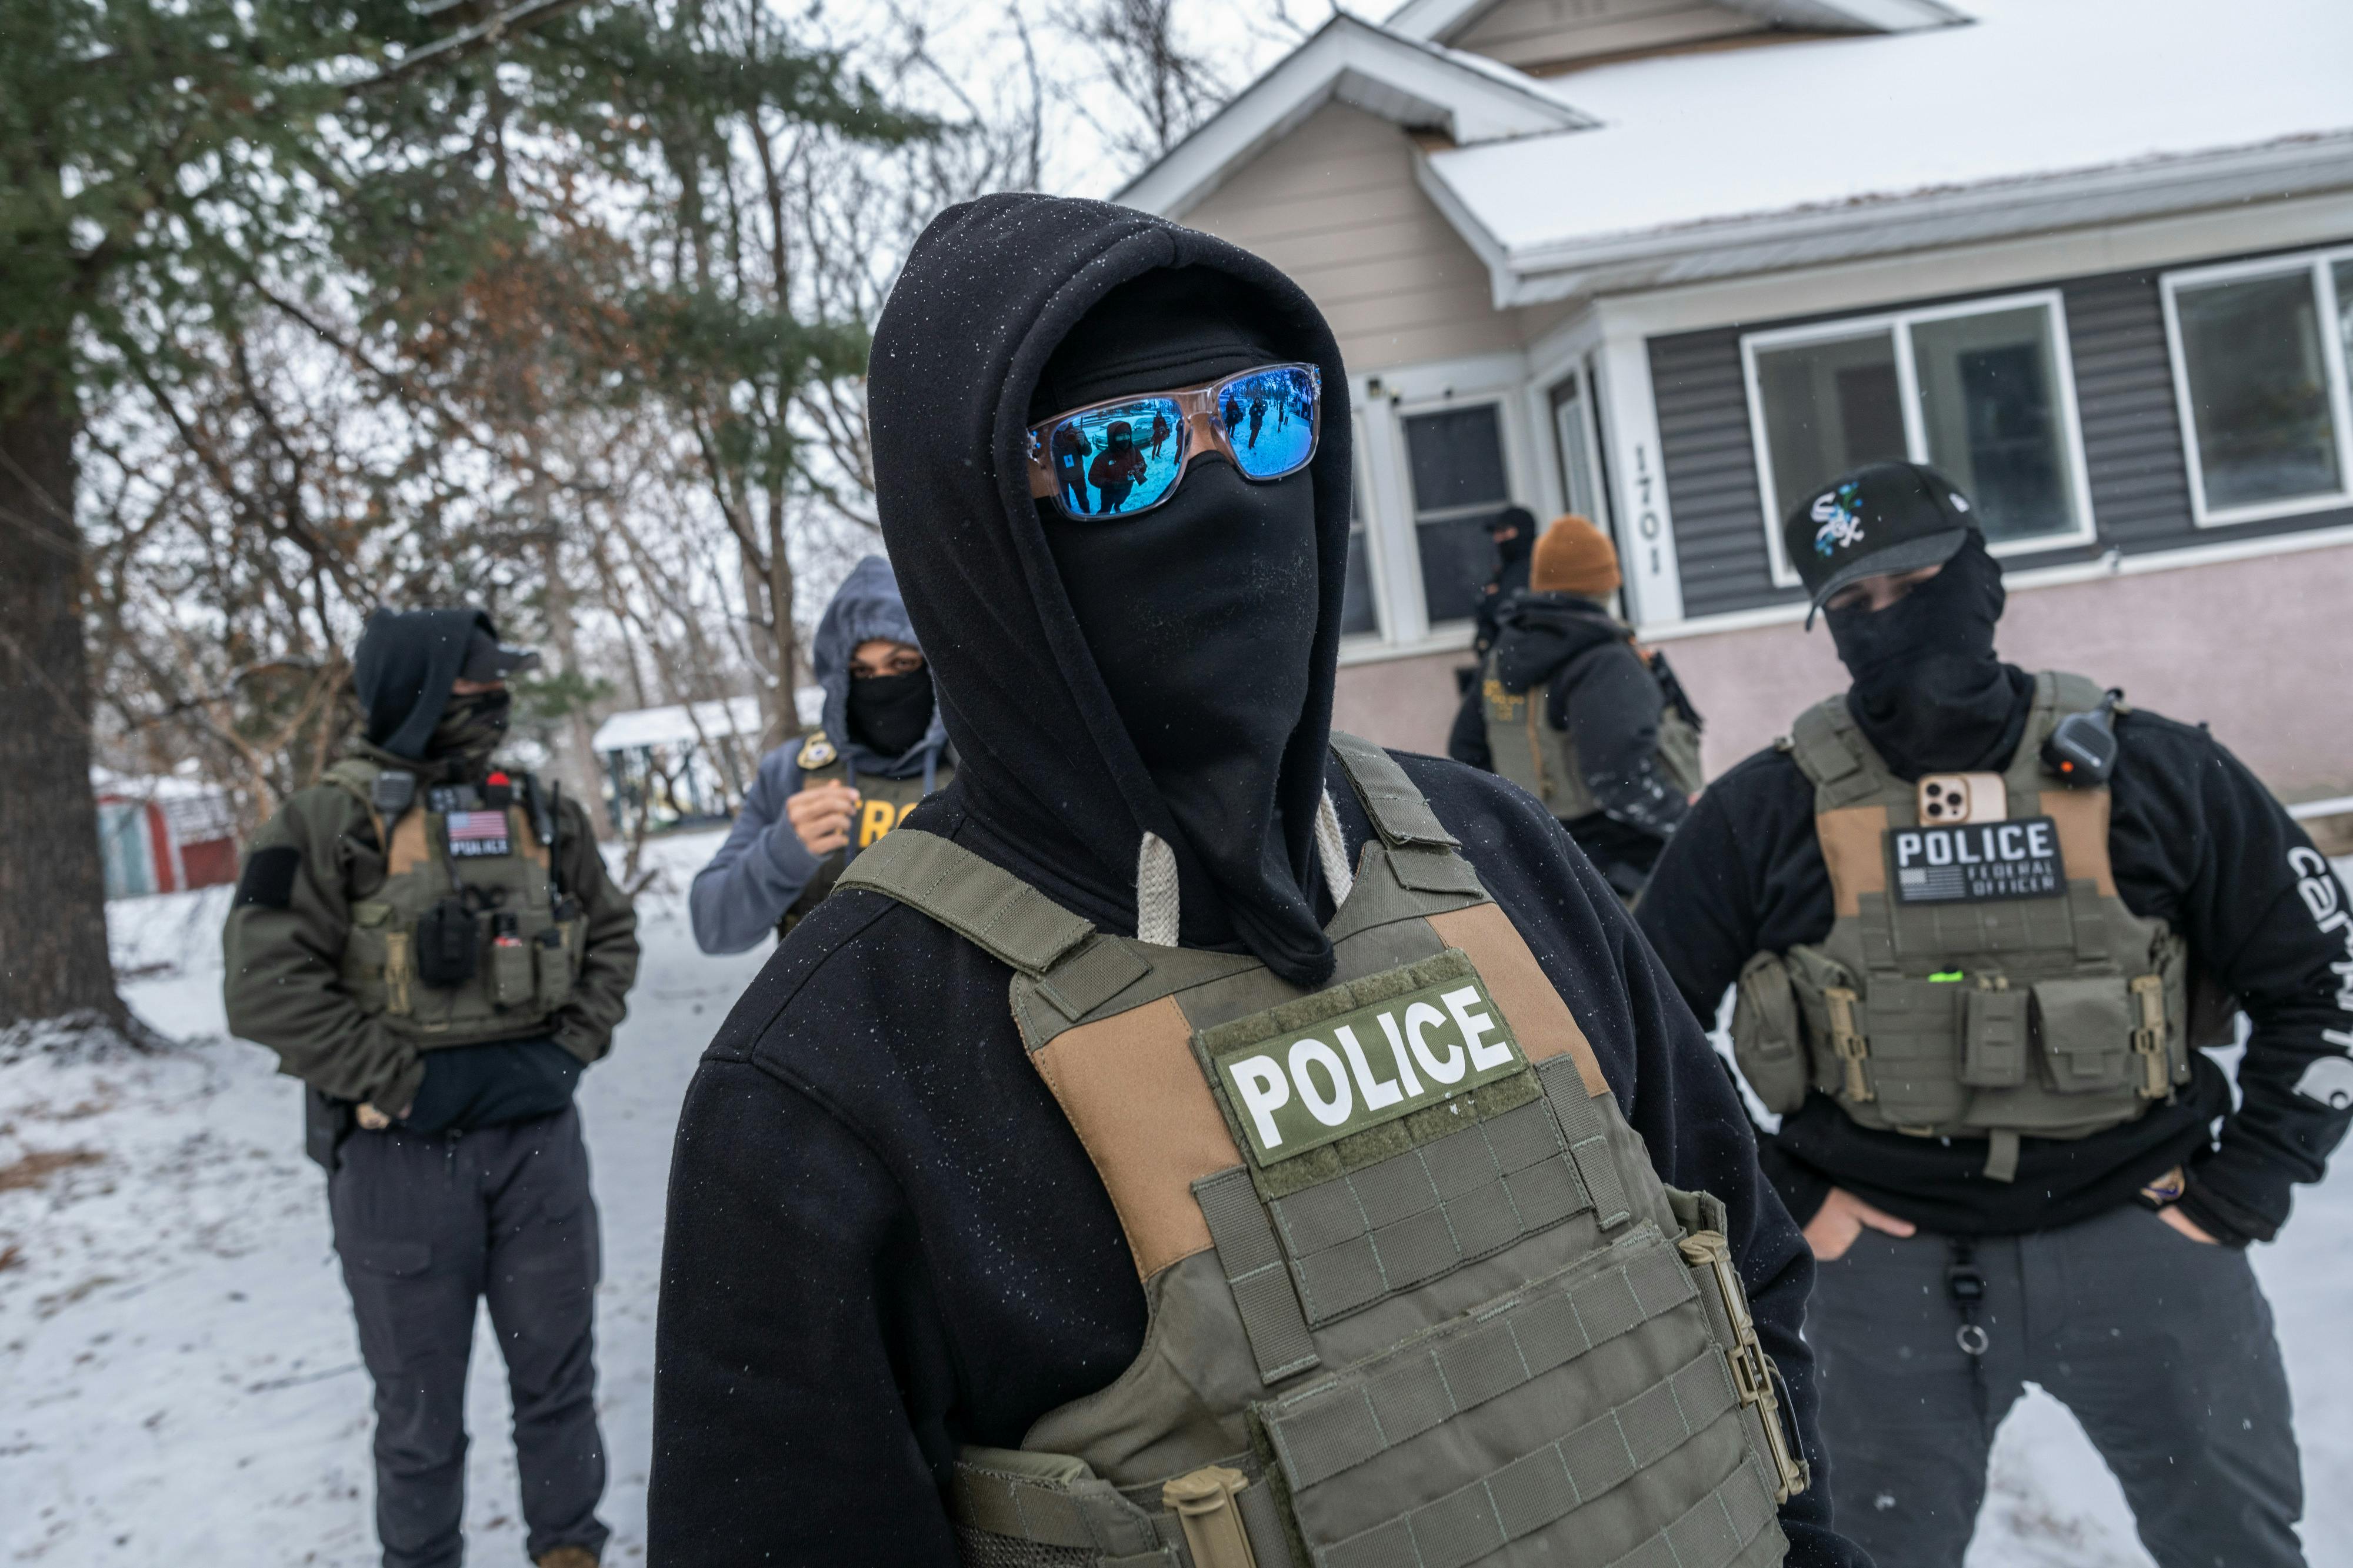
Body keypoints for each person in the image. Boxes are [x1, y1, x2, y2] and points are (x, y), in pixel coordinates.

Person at [648, 194, 1863, 1567]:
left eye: (1270, 414)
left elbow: (1739, 1280)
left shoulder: (1495, 849)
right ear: (980, 541)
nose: (1227, 491)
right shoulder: (840, 1069)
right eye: (1122, 452)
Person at [1635, 459, 2353, 1568]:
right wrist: (1784, 1200)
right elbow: (1636, 1029)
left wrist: (2245, 1187)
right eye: (1853, 607)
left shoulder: (2155, 773)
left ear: (1982, 580)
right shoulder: (1768, 808)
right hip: (1877, 1282)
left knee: (2240, 1551)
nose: (1892, 623)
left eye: (1917, 582)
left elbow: (2325, 978)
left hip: (2145, 1244)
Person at [224, 608, 639, 1568]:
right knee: (417, 1412)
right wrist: (404, 1082)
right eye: (472, 686)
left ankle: (569, 1550)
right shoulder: (319, 820)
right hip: (395, 1161)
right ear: (414, 691)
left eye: (498, 687)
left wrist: (568, 1049)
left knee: (559, 1386)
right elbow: (262, 986)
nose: (494, 702)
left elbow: (611, 933)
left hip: (539, 1150)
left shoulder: (539, 807)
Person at [688, 556, 953, 955]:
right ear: (838, 679)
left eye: (901, 664)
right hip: (827, 1013)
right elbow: (714, 928)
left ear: (932, 664)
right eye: (861, 673)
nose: (882, 686)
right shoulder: (792, 773)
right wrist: (782, 852)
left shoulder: (976, 766)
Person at [1449, 514, 1702, 902]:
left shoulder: (1502, 658)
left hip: (1547, 864)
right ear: (1606, 584)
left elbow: (1466, 750)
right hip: (1630, 871)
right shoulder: (1606, 662)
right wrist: (1688, 823)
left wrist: (1524, 826)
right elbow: (1618, 778)